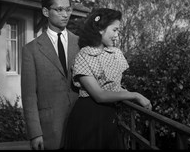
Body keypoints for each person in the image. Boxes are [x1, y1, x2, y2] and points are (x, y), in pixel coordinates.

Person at [64, 8, 152, 150]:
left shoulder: (115, 53)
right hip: (89, 119)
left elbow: (116, 87)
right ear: (100, 30)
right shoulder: (84, 56)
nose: (117, 35)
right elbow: (99, 95)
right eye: (114, 30)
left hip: (110, 117)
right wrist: (135, 95)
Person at [21, 0, 79, 150]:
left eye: (68, 9)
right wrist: (35, 133)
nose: (65, 14)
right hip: (50, 131)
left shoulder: (81, 44)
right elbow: (29, 96)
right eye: (59, 9)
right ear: (46, 11)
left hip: (81, 126)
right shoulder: (30, 50)